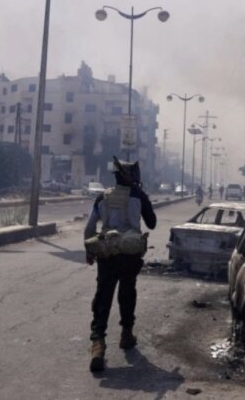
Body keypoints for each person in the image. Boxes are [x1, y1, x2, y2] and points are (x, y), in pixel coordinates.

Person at [84, 157, 156, 372]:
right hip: (130, 254)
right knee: (127, 292)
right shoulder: (139, 196)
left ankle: (98, 343)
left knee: (103, 294)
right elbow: (151, 223)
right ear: (132, 177)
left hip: (107, 252)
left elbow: (89, 228)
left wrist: (89, 251)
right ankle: (126, 334)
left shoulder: (102, 197)